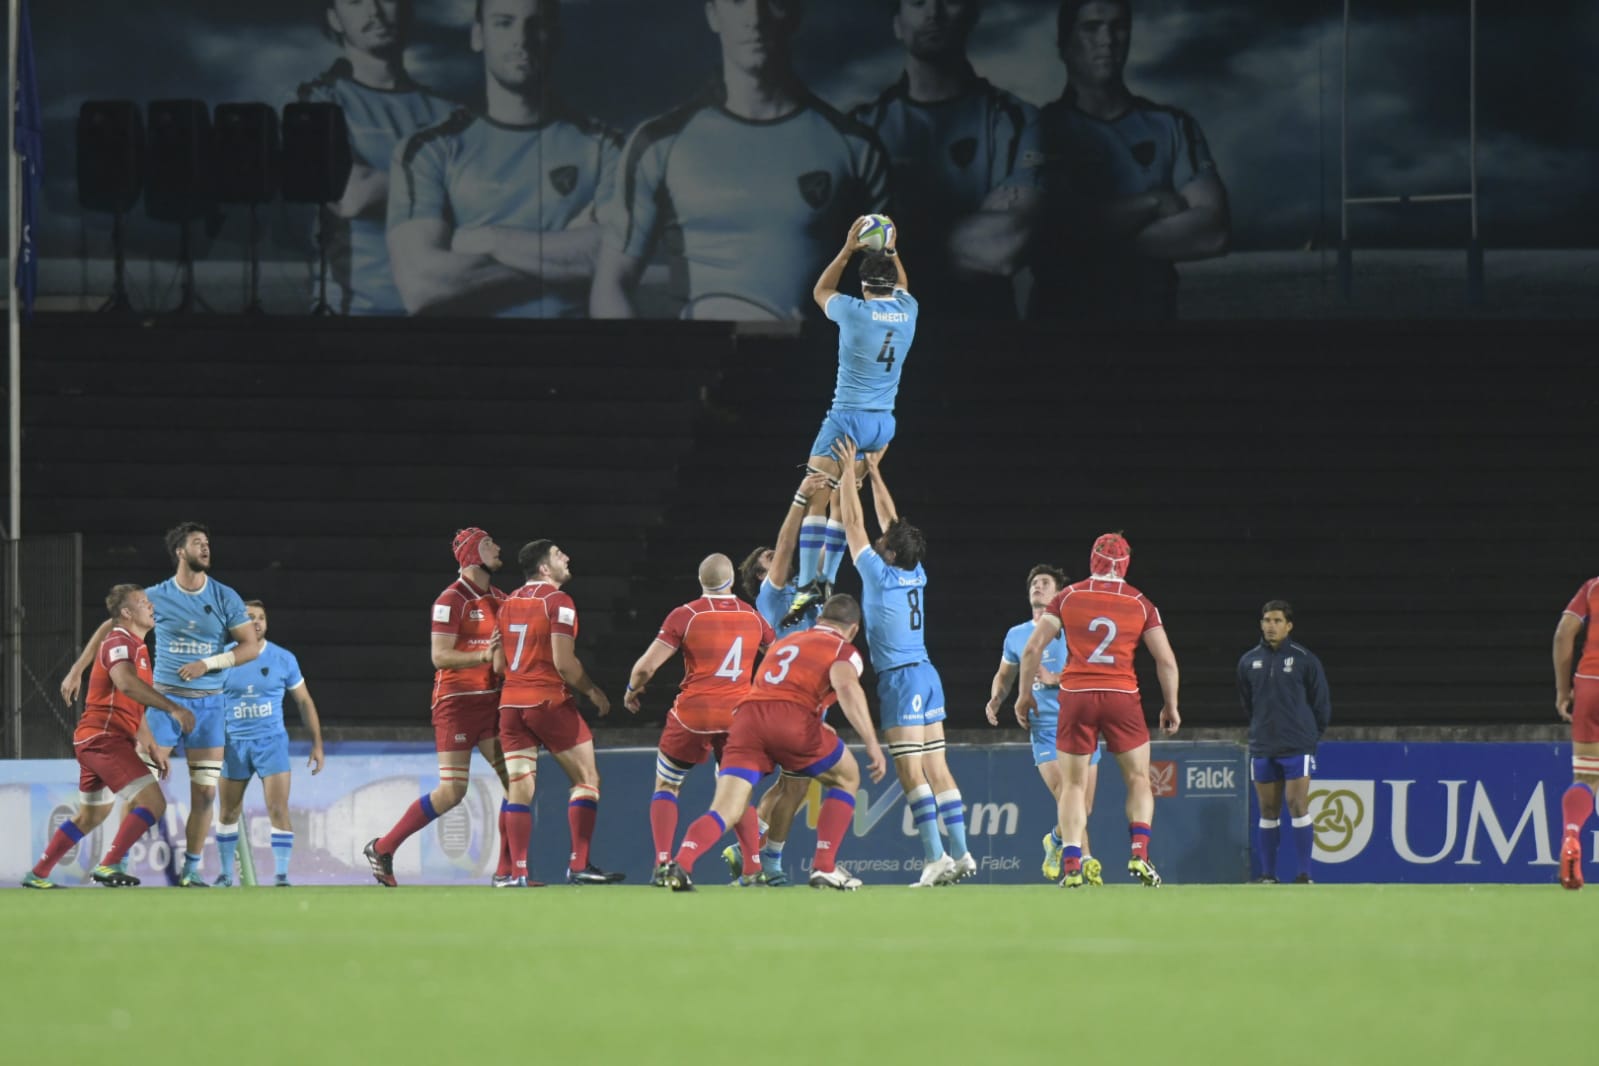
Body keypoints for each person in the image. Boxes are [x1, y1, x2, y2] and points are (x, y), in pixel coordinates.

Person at [591, 0, 890, 321]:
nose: (754, 18)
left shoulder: (855, 147)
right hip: (699, 367)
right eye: (737, 2)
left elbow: (886, 294)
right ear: (712, 14)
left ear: (795, 13)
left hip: (805, 366)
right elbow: (611, 287)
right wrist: (656, 370)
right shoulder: (658, 145)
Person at [388, 0, 621, 317]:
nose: (520, 40)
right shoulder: (429, 149)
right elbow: (421, 285)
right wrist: (566, 255)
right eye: (503, 23)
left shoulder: (606, 146)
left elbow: (613, 257)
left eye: (535, 25)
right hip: (470, 360)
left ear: (555, 37)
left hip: (570, 357)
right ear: (478, 37)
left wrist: (489, 240)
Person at [60, 522, 262, 888]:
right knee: (141, 788)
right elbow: (110, 627)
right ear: (180, 552)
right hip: (162, 705)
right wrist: (78, 668)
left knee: (204, 792)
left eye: (208, 542)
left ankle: (190, 871)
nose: (206, 548)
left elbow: (250, 646)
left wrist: (208, 664)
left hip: (209, 707)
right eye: (197, 543)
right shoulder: (154, 596)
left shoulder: (224, 597)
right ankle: (115, 864)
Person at [659, 594, 888, 891]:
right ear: (854, 629)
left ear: (819, 621)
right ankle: (824, 866)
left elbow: (772, 686)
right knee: (847, 777)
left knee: (726, 809)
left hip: (746, 719)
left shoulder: (785, 643)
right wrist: (871, 742)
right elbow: (846, 686)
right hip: (792, 721)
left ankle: (682, 863)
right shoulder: (844, 649)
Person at [1030, 0, 1229, 322]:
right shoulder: (1038, 130)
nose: (1108, 39)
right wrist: (1151, 204)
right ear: (1064, 44)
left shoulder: (1171, 126)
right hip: (1063, 340)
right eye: (1092, 27)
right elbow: (1048, 236)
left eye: (1118, 26)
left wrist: (1085, 239)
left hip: (1151, 339)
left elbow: (1213, 232)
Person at [833, 437, 973, 886]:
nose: (881, 539)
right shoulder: (915, 570)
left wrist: (847, 476)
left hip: (901, 680)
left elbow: (854, 521)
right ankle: (963, 853)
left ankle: (935, 856)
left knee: (910, 770)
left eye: (885, 542)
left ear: (889, 553)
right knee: (938, 766)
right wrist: (874, 472)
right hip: (929, 675)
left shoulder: (878, 570)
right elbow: (890, 520)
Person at [852, 0, 1041, 318]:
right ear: (896, 23)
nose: (933, 13)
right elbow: (854, 258)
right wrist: (974, 225)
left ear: (973, 14)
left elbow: (1009, 245)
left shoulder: (1018, 120)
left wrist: (900, 236)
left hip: (988, 342)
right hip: (890, 340)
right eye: (917, 2)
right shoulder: (861, 130)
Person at [1015, 532, 1180, 887]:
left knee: (1072, 785)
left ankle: (1072, 864)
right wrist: (1171, 704)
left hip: (1076, 696)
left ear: (1093, 560)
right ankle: (1139, 853)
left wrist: (1024, 695)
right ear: (1125, 564)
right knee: (1137, 778)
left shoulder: (1068, 596)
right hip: (1122, 696)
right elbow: (1165, 660)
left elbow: (1031, 650)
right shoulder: (1140, 602)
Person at [364, 528, 516, 887]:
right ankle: (383, 847)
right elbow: (439, 656)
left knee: (518, 784)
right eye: (489, 543)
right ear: (472, 554)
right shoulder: (451, 600)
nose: (498, 547)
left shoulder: (501, 598)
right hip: (457, 705)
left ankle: (506, 872)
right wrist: (484, 654)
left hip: (493, 703)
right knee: (453, 791)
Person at [786, 217, 916, 622]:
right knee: (845, 501)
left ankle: (808, 585)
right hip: (884, 424)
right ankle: (826, 578)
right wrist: (891, 250)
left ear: (863, 286)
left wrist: (846, 249)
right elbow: (904, 288)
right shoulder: (908, 310)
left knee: (815, 496)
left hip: (849, 419)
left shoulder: (854, 312)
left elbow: (821, 290)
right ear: (891, 284)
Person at [26, 585, 196, 888]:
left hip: (95, 740)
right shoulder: (119, 640)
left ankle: (38, 873)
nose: (151, 606)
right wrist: (174, 709)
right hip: (104, 739)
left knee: (92, 815)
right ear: (127, 613)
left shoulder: (139, 648)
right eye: (144, 603)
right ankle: (110, 864)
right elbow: (126, 684)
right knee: (153, 803)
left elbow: (133, 704)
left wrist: (152, 745)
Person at [297, 0, 456, 314]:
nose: (374, 11)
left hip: (435, 314)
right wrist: (445, 189)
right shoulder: (316, 101)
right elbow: (349, 193)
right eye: (356, 1)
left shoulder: (450, 114)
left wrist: (380, 183)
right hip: (350, 316)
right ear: (334, 19)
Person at [624, 554, 774, 885]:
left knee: (667, 785)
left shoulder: (686, 614)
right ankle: (752, 868)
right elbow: (777, 658)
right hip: (738, 718)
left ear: (701, 582)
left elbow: (646, 667)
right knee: (737, 794)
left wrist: (632, 689)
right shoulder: (753, 616)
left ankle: (663, 863)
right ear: (731, 581)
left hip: (693, 716)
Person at [493, 539, 624, 885]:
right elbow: (563, 663)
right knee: (587, 780)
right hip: (547, 701)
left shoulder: (506, 604)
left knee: (519, 788)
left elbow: (498, 664)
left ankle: (512, 872)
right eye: (557, 554)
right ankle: (579, 864)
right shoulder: (558, 602)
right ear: (544, 569)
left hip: (510, 705)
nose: (566, 556)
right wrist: (593, 691)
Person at [984, 564, 1104, 884]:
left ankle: (1055, 839)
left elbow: (1091, 671)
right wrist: (996, 698)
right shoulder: (1017, 634)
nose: (1037, 586)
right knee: (1069, 793)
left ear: (1058, 593)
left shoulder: (1075, 628)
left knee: (1085, 805)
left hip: (1081, 721)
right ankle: (1079, 861)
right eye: (1033, 583)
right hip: (1045, 727)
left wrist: (1055, 678)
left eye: (1044, 583)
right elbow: (1004, 675)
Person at [213, 601, 327, 888]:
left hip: (271, 744)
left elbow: (303, 700)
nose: (256, 622)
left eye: (261, 617)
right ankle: (226, 874)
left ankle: (281, 876)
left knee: (278, 808)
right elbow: (206, 702)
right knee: (227, 812)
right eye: (250, 617)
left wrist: (317, 743)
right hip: (233, 744)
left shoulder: (283, 658)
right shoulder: (222, 658)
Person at [1238, 600, 1331, 885]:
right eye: (1267, 620)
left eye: (1277, 621)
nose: (1271, 626)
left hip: (1296, 747)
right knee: (1267, 810)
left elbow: (1321, 704)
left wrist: (1308, 738)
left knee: (1296, 804)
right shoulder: (1248, 661)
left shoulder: (1306, 659)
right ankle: (1268, 875)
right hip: (1263, 747)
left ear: (1289, 626)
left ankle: (1305, 873)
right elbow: (1248, 704)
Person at [1554, 575, 1599, 890]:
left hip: (1590, 685)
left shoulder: (1593, 587)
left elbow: (1563, 633)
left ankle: (1571, 834)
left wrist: (1562, 690)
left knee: (1586, 777)